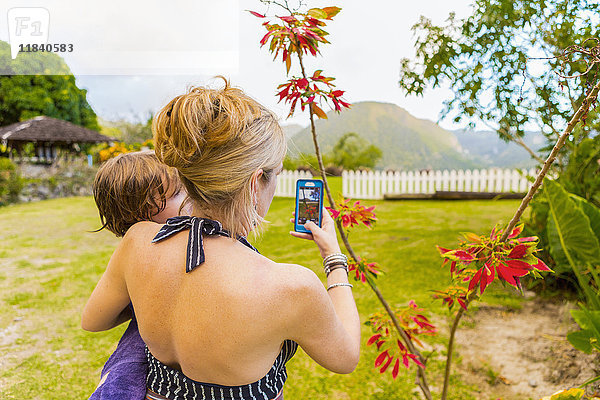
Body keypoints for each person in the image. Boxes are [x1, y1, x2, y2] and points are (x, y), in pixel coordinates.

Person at [82, 79, 360, 400]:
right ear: (256, 183)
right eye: (276, 174)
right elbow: (346, 357)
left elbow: (94, 319)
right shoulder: (291, 287)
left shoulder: (137, 241)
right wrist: (334, 257)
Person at [89, 151, 188, 400]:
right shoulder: (139, 250)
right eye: (177, 194)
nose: (190, 197)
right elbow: (91, 320)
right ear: (138, 217)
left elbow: (95, 321)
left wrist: (138, 308)